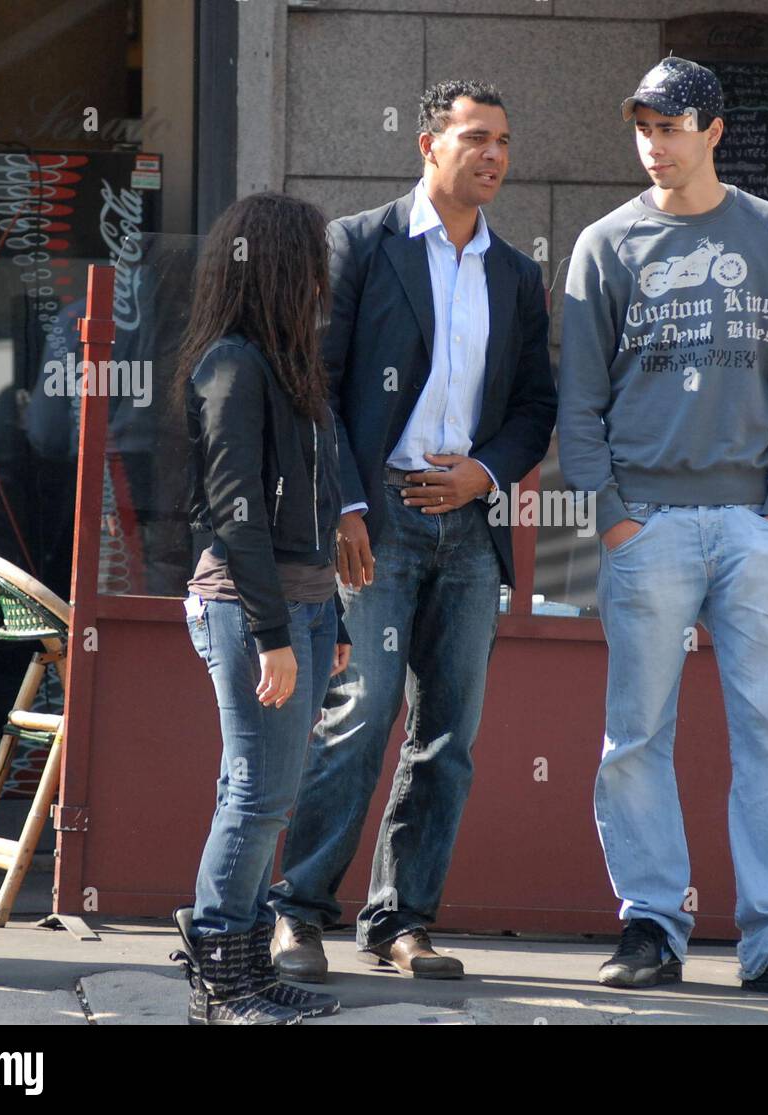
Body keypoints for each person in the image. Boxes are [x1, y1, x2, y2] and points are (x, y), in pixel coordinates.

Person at [558, 56, 768, 998]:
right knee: (635, 733)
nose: (654, 144)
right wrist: (612, 518)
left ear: (715, 130)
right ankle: (651, 922)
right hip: (646, 520)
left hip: (748, 525)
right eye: (642, 126)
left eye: (671, 126)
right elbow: (580, 398)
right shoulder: (605, 242)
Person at [268, 80, 556, 980]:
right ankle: (298, 911)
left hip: (467, 523)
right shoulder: (358, 244)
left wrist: (485, 471)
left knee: (448, 736)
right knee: (363, 710)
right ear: (426, 145)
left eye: (504, 140)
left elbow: (535, 403)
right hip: (377, 516)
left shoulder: (515, 273)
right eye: (475, 137)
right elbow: (313, 383)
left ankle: (402, 920)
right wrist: (346, 505)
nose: (494, 155)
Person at [169, 193, 352, 1025]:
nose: (324, 275)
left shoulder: (289, 364)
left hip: (304, 610)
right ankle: (221, 972)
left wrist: (333, 624)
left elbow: (313, 509)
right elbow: (236, 512)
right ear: (279, 266)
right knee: (258, 792)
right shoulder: (233, 365)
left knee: (256, 788)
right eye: (312, 258)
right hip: (249, 611)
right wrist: (277, 635)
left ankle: (240, 962)